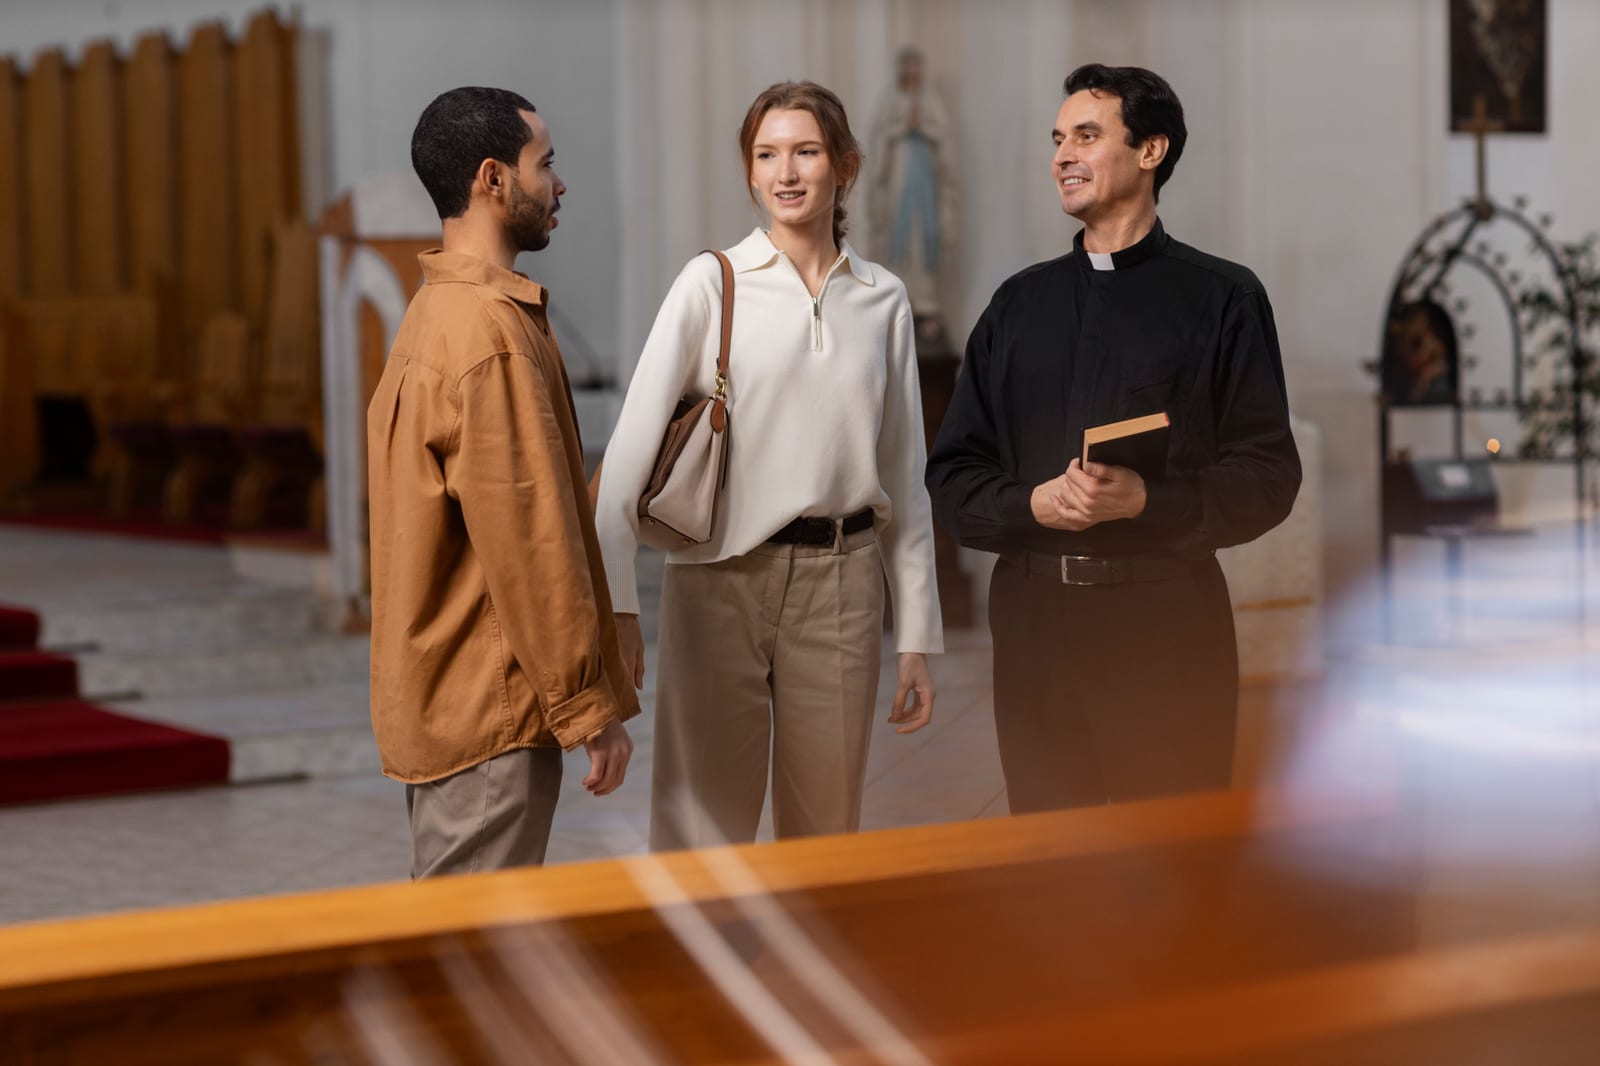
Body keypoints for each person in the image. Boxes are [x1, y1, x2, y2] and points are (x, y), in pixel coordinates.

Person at [925, 64, 1301, 814]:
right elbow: (953, 477)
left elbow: (1268, 476)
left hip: (1165, 625)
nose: (1062, 154)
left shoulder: (1225, 297)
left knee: (1171, 868)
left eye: (1087, 136)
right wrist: (1034, 503)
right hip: (1037, 629)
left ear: (1152, 150)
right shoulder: (1017, 304)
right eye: (1058, 139)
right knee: (1050, 871)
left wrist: (1146, 501)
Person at [595, 81, 942, 851]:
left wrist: (916, 632)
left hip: (845, 589)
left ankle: (802, 973)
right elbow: (621, 474)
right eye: (767, 154)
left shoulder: (883, 299)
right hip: (718, 584)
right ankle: (697, 974)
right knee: (701, 830)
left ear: (845, 165)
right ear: (750, 173)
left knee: (826, 833)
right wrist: (618, 616)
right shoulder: (708, 285)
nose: (787, 172)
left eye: (807, 151)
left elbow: (905, 478)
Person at [368, 87, 638, 879]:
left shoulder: (437, 313)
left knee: (465, 958)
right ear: (492, 179)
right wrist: (590, 708)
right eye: (544, 164)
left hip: (450, 699)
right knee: (471, 967)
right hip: (488, 706)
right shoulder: (489, 335)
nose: (559, 184)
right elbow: (532, 546)